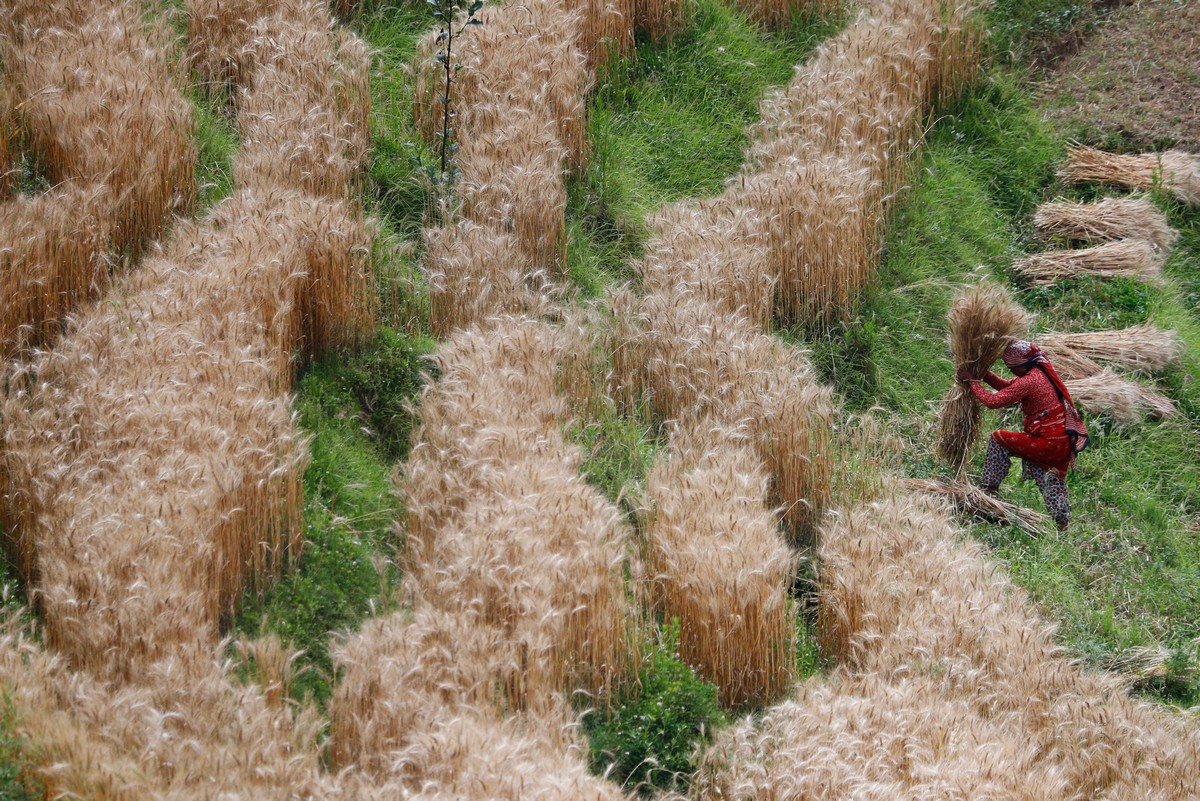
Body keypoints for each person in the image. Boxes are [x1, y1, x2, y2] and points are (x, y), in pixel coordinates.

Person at [955, 339, 1088, 530]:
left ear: (1021, 365)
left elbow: (993, 401)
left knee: (998, 438)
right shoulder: (1039, 373)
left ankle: (989, 489)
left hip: (1047, 442)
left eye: (1012, 367)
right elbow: (1007, 386)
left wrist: (972, 382)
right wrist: (983, 374)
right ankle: (1062, 522)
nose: (1010, 371)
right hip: (1062, 443)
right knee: (1049, 475)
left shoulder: (1030, 381)